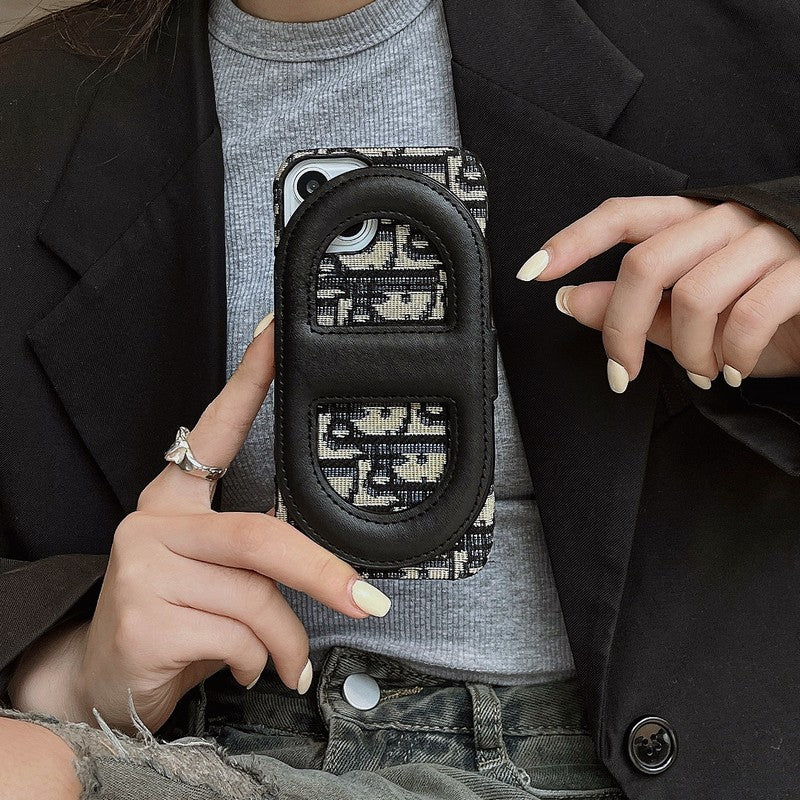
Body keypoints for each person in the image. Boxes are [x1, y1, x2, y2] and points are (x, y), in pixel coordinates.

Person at [1, 0, 800, 798]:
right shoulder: (25, 114)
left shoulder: (748, 46)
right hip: (209, 758)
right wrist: (65, 669)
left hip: (637, 757)